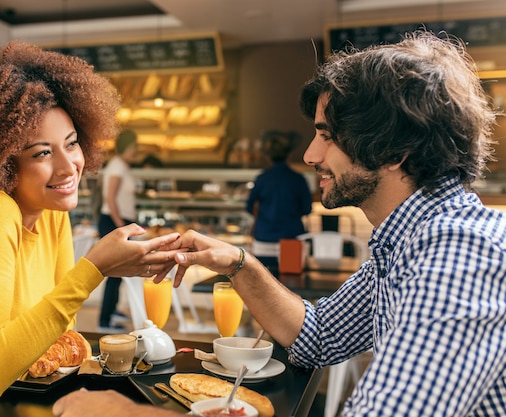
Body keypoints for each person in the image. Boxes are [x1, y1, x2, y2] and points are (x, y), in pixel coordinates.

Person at [54, 31, 506, 417]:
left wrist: (130, 412)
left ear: (392, 151)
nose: (310, 155)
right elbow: (318, 337)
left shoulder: (459, 254)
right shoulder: (406, 243)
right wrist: (237, 263)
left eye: (327, 136)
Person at [0, 42, 182, 416]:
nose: (68, 166)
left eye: (71, 144)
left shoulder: (51, 206)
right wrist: (94, 269)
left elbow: (61, 327)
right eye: (41, 153)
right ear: (1, 162)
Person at [246, 130, 312, 275]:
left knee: (263, 282)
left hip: (264, 239)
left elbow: (249, 206)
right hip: (292, 239)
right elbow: (307, 209)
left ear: (268, 157)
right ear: (289, 155)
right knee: (291, 283)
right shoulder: (298, 179)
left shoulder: (262, 179)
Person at [97, 129, 140, 332]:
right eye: (134, 146)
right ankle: (105, 321)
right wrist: (121, 226)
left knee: (119, 273)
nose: (137, 150)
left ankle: (112, 311)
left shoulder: (122, 166)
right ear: (126, 147)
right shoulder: (117, 166)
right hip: (114, 223)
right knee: (114, 272)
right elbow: (111, 198)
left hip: (119, 222)